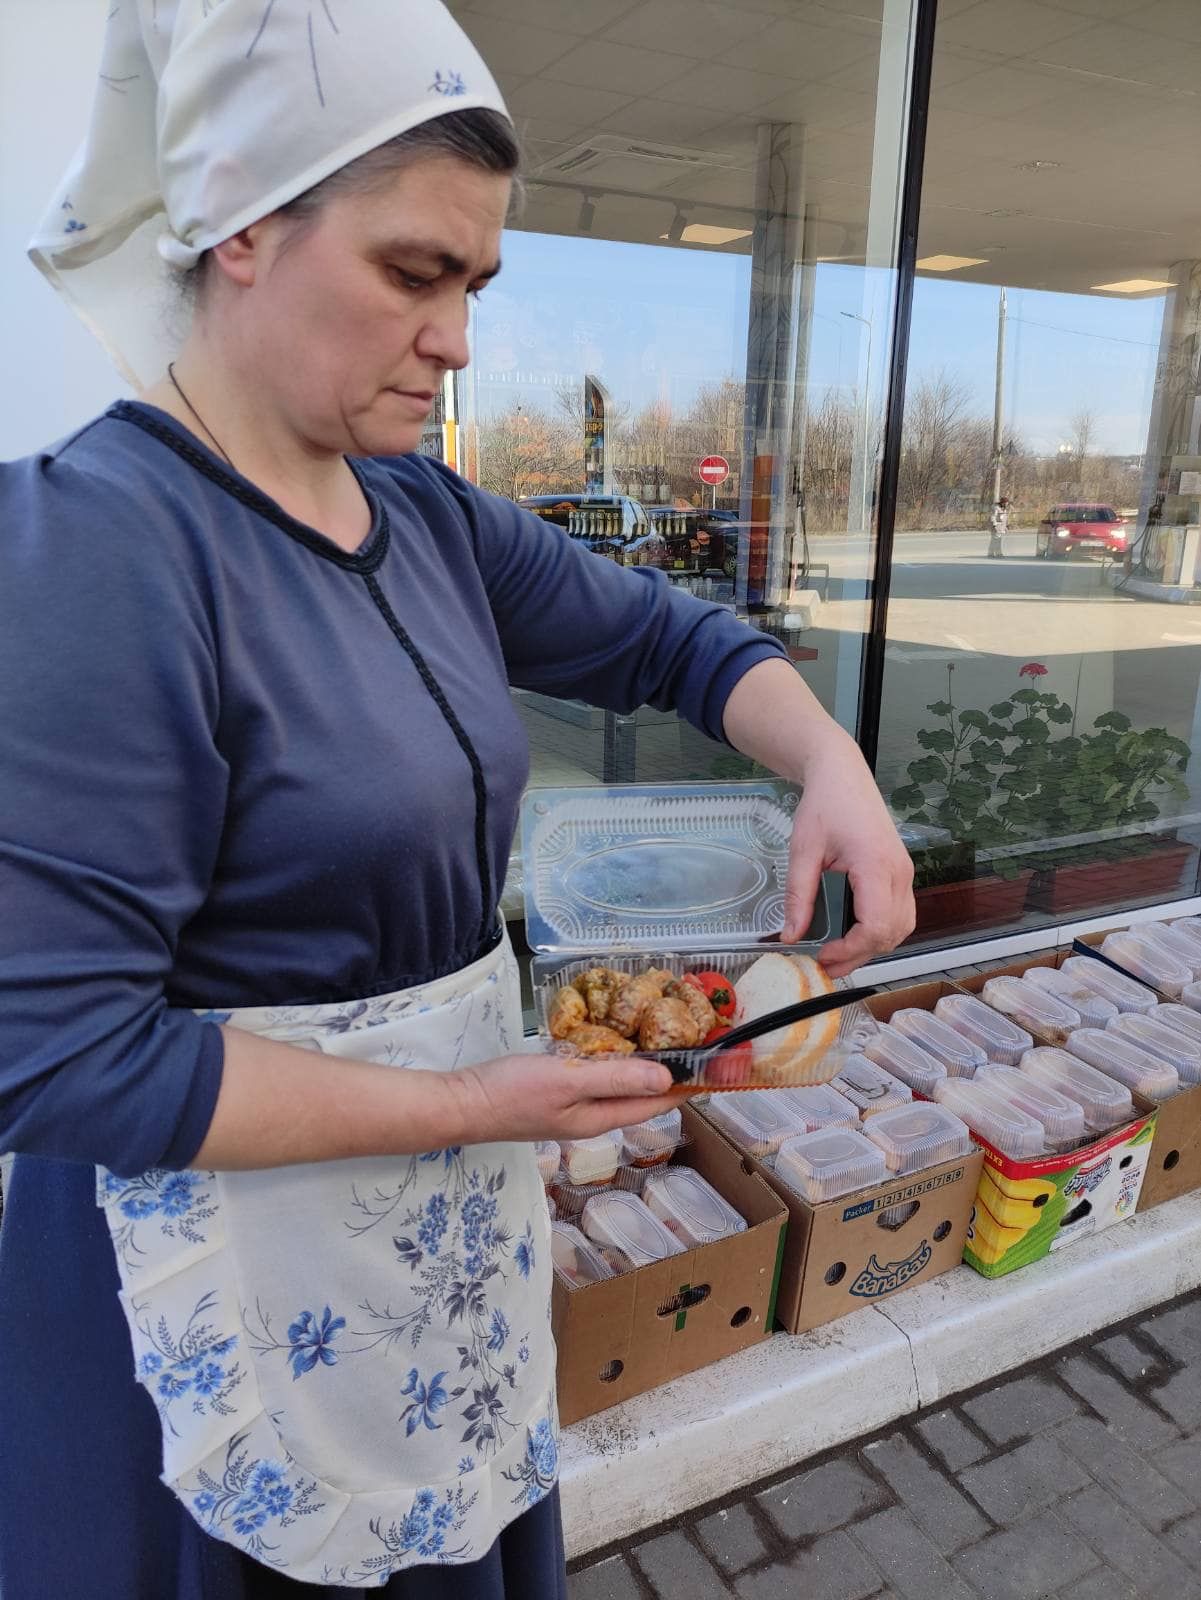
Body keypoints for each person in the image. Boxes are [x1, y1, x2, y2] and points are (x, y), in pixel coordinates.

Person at [0, 3, 915, 1595]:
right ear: (237, 229)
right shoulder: (96, 553)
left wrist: (829, 762)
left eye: (473, 285)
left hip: (435, 1233)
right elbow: (59, 1057)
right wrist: (468, 1105)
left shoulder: (420, 513)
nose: (456, 341)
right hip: (222, 1277)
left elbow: (668, 640)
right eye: (411, 272)